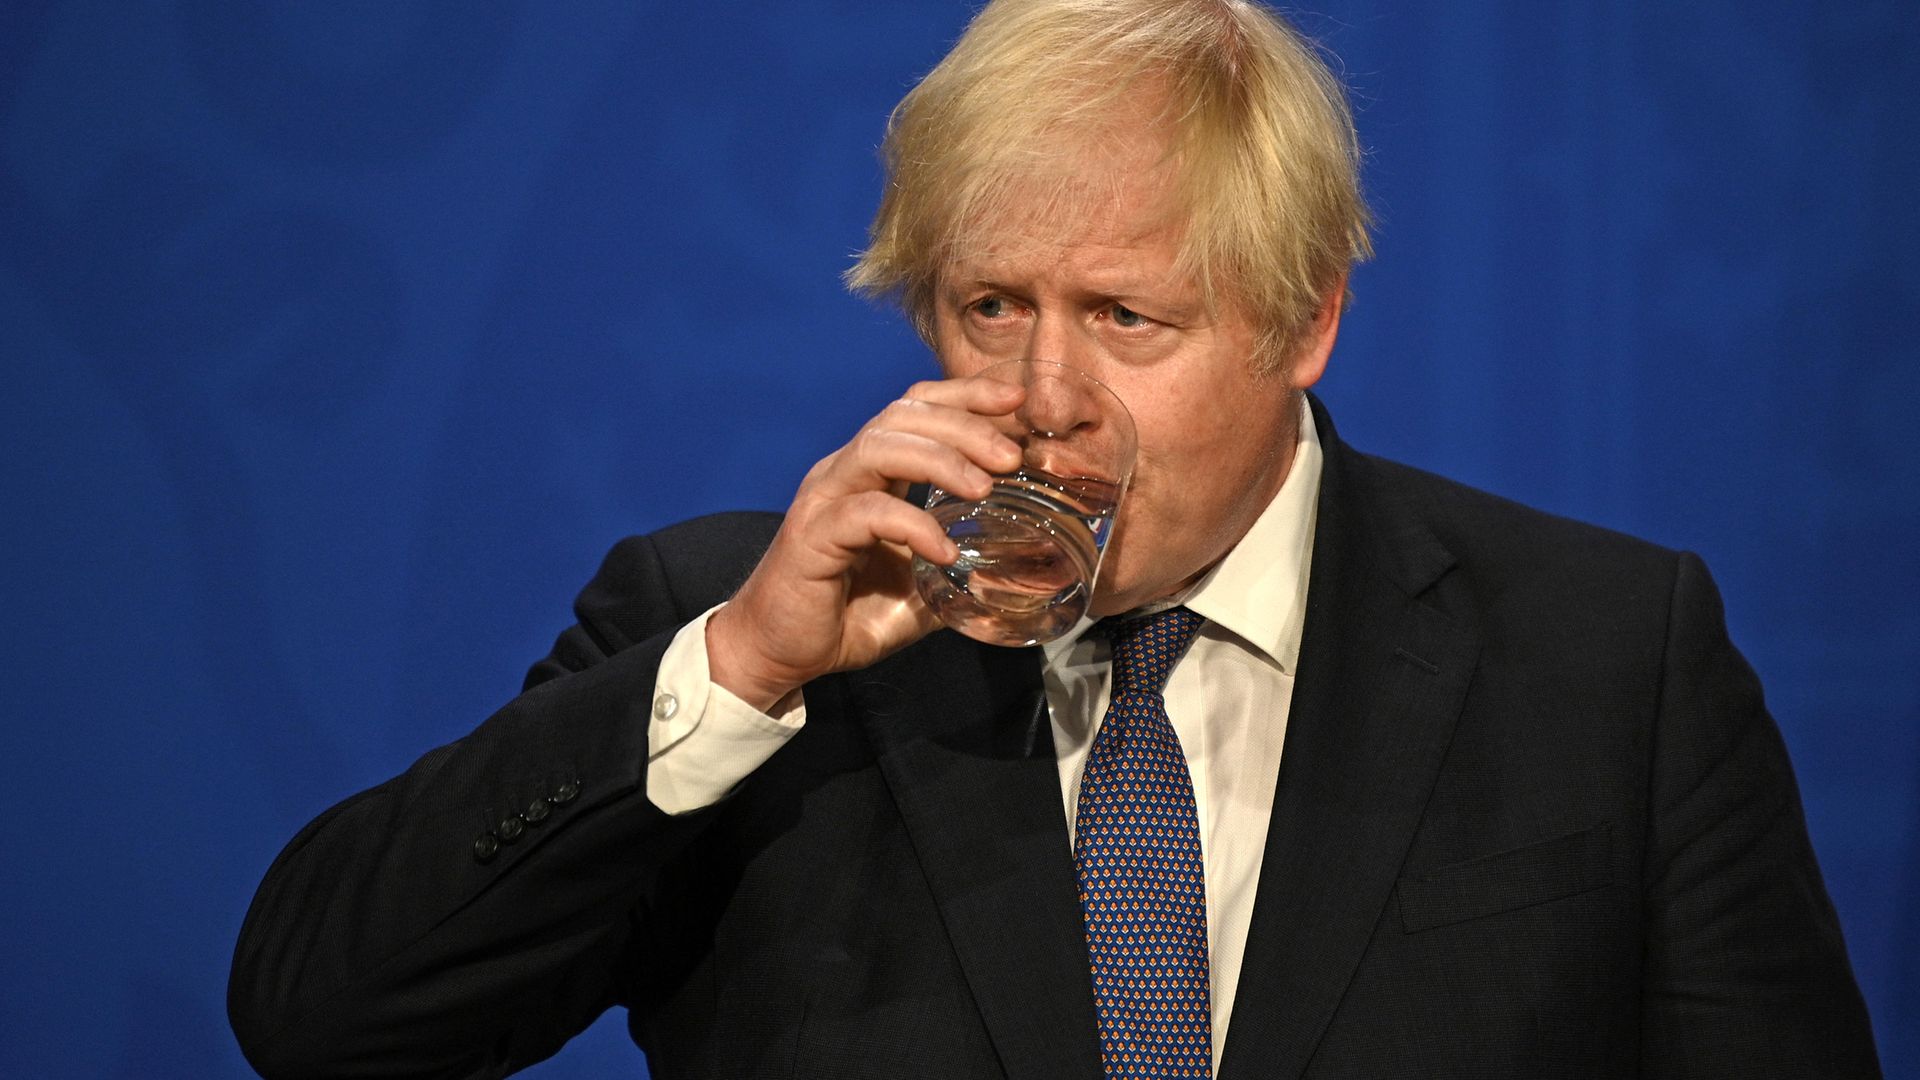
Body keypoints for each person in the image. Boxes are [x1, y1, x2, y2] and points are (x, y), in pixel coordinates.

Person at [228, 1, 1881, 1076]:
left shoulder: (1606, 654)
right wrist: (741, 670)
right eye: (989, 306)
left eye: (1126, 317)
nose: (1040, 396)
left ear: (1303, 325)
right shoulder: (733, 632)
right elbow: (321, 1021)